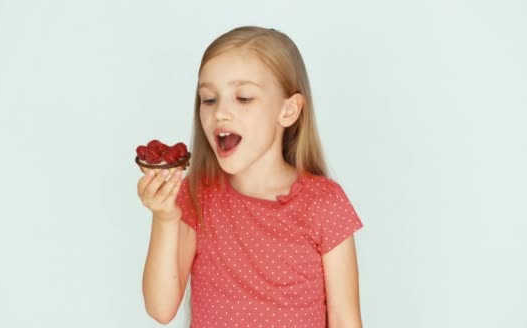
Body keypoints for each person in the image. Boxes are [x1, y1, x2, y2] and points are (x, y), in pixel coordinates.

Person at [137, 26, 364, 328]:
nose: (221, 113)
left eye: (243, 98)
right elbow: (160, 309)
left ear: (288, 111)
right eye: (208, 99)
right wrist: (164, 218)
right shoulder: (196, 196)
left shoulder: (324, 202)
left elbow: (344, 318)